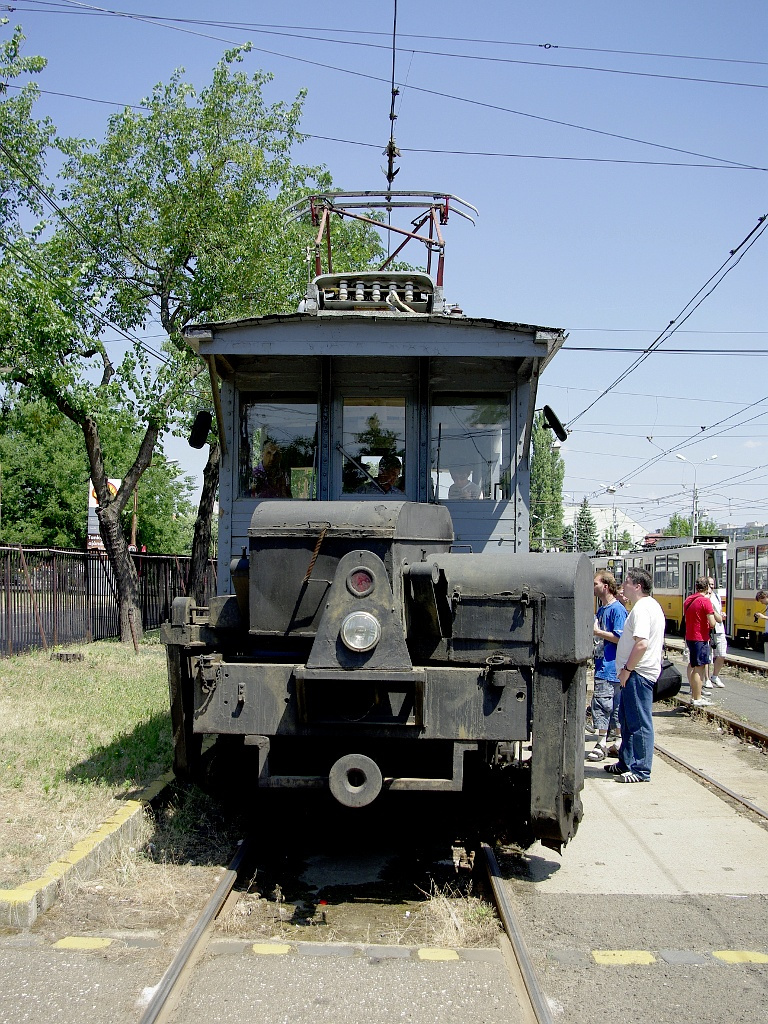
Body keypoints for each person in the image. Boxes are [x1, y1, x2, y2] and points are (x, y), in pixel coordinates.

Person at [605, 567, 665, 783]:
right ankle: (626, 762)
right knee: (628, 720)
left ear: (638, 586)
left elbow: (641, 643)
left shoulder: (642, 609)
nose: (623, 585)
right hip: (636, 673)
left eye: (627, 581)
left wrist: (627, 670)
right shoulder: (650, 606)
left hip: (637, 673)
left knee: (639, 722)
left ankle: (640, 770)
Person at [587, 571, 628, 762]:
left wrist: (597, 632)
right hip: (604, 664)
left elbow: (620, 638)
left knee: (604, 704)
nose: (592, 587)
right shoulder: (603, 609)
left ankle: (602, 742)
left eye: (595, 584)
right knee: (610, 705)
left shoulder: (616, 610)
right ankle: (616, 741)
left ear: (605, 586)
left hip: (610, 666)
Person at [683, 576, 717, 707]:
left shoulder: (688, 600)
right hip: (700, 637)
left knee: (694, 666)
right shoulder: (705, 601)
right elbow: (712, 622)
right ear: (707, 587)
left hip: (690, 637)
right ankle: (697, 698)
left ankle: (695, 695)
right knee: (699, 668)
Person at [705, 576, 726, 688]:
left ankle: (715, 676)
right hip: (708, 629)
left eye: (712, 584)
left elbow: (718, 611)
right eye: (709, 584)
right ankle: (707, 679)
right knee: (708, 656)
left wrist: (722, 615)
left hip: (720, 628)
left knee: (722, 654)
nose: (711, 586)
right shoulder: (704, 598)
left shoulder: (717, 596)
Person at [755, 590, 768, 659]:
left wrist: (763, 617)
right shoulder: (767, 606)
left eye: (761, 601)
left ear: (765, 597)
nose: (761, 603)